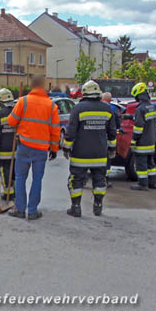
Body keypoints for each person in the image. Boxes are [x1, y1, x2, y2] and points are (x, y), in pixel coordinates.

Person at [7, 75, 60, 220]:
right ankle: (32, 211)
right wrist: (54, 150)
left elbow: (11, 121)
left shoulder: (23, 101)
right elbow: (55, 131)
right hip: (41, 149)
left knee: (20, 178)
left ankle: (20, 209)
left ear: (32, 86)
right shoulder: (51, 106)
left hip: (24, 146)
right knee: (37, 180)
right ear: (43, 87)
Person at [63, 81, 117, 217]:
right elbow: (112, 132)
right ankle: (98, 206)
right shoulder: (107, 109)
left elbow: (70, 131)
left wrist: (66, 148)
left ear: (85, 93)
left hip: (80, 153)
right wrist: (112, 149)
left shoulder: (78, 108)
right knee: (99, 180)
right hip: (100, 153)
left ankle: (76, 207)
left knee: (76, 180)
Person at [129, 82, 156, 191]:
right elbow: (147, 121)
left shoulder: (140, 109)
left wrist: (134, 140)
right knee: (151, 164)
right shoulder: (151, 107)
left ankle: (142, 184)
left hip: (142, 143)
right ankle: (152, 183)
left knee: (141, 165)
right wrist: (131, 117)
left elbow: (139, 127)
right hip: (151, 141)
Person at [0, 88, 16, 201]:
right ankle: (14, 191)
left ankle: (7, 193)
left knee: (4, 170)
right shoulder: (17, 111)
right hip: (16, 147)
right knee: (14, 170)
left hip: (4, 149)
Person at [101, 91, 122, 188]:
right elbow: (116, 124)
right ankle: (105, 179)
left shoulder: (98, 107)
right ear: (110, 99)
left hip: (97, 138)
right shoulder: (113, 108)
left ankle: (84, 180)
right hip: (108, 138)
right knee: (107, 160)